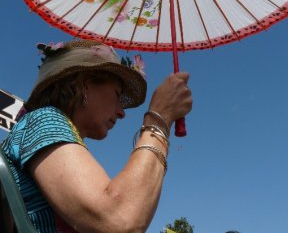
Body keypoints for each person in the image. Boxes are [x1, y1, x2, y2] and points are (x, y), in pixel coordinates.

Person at [1, 40, 192, 232]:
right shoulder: (44, 119)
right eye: (118, 94)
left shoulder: (45, 133)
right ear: (85, 85)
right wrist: (159, 119)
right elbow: (118, 219)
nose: (121, 112)